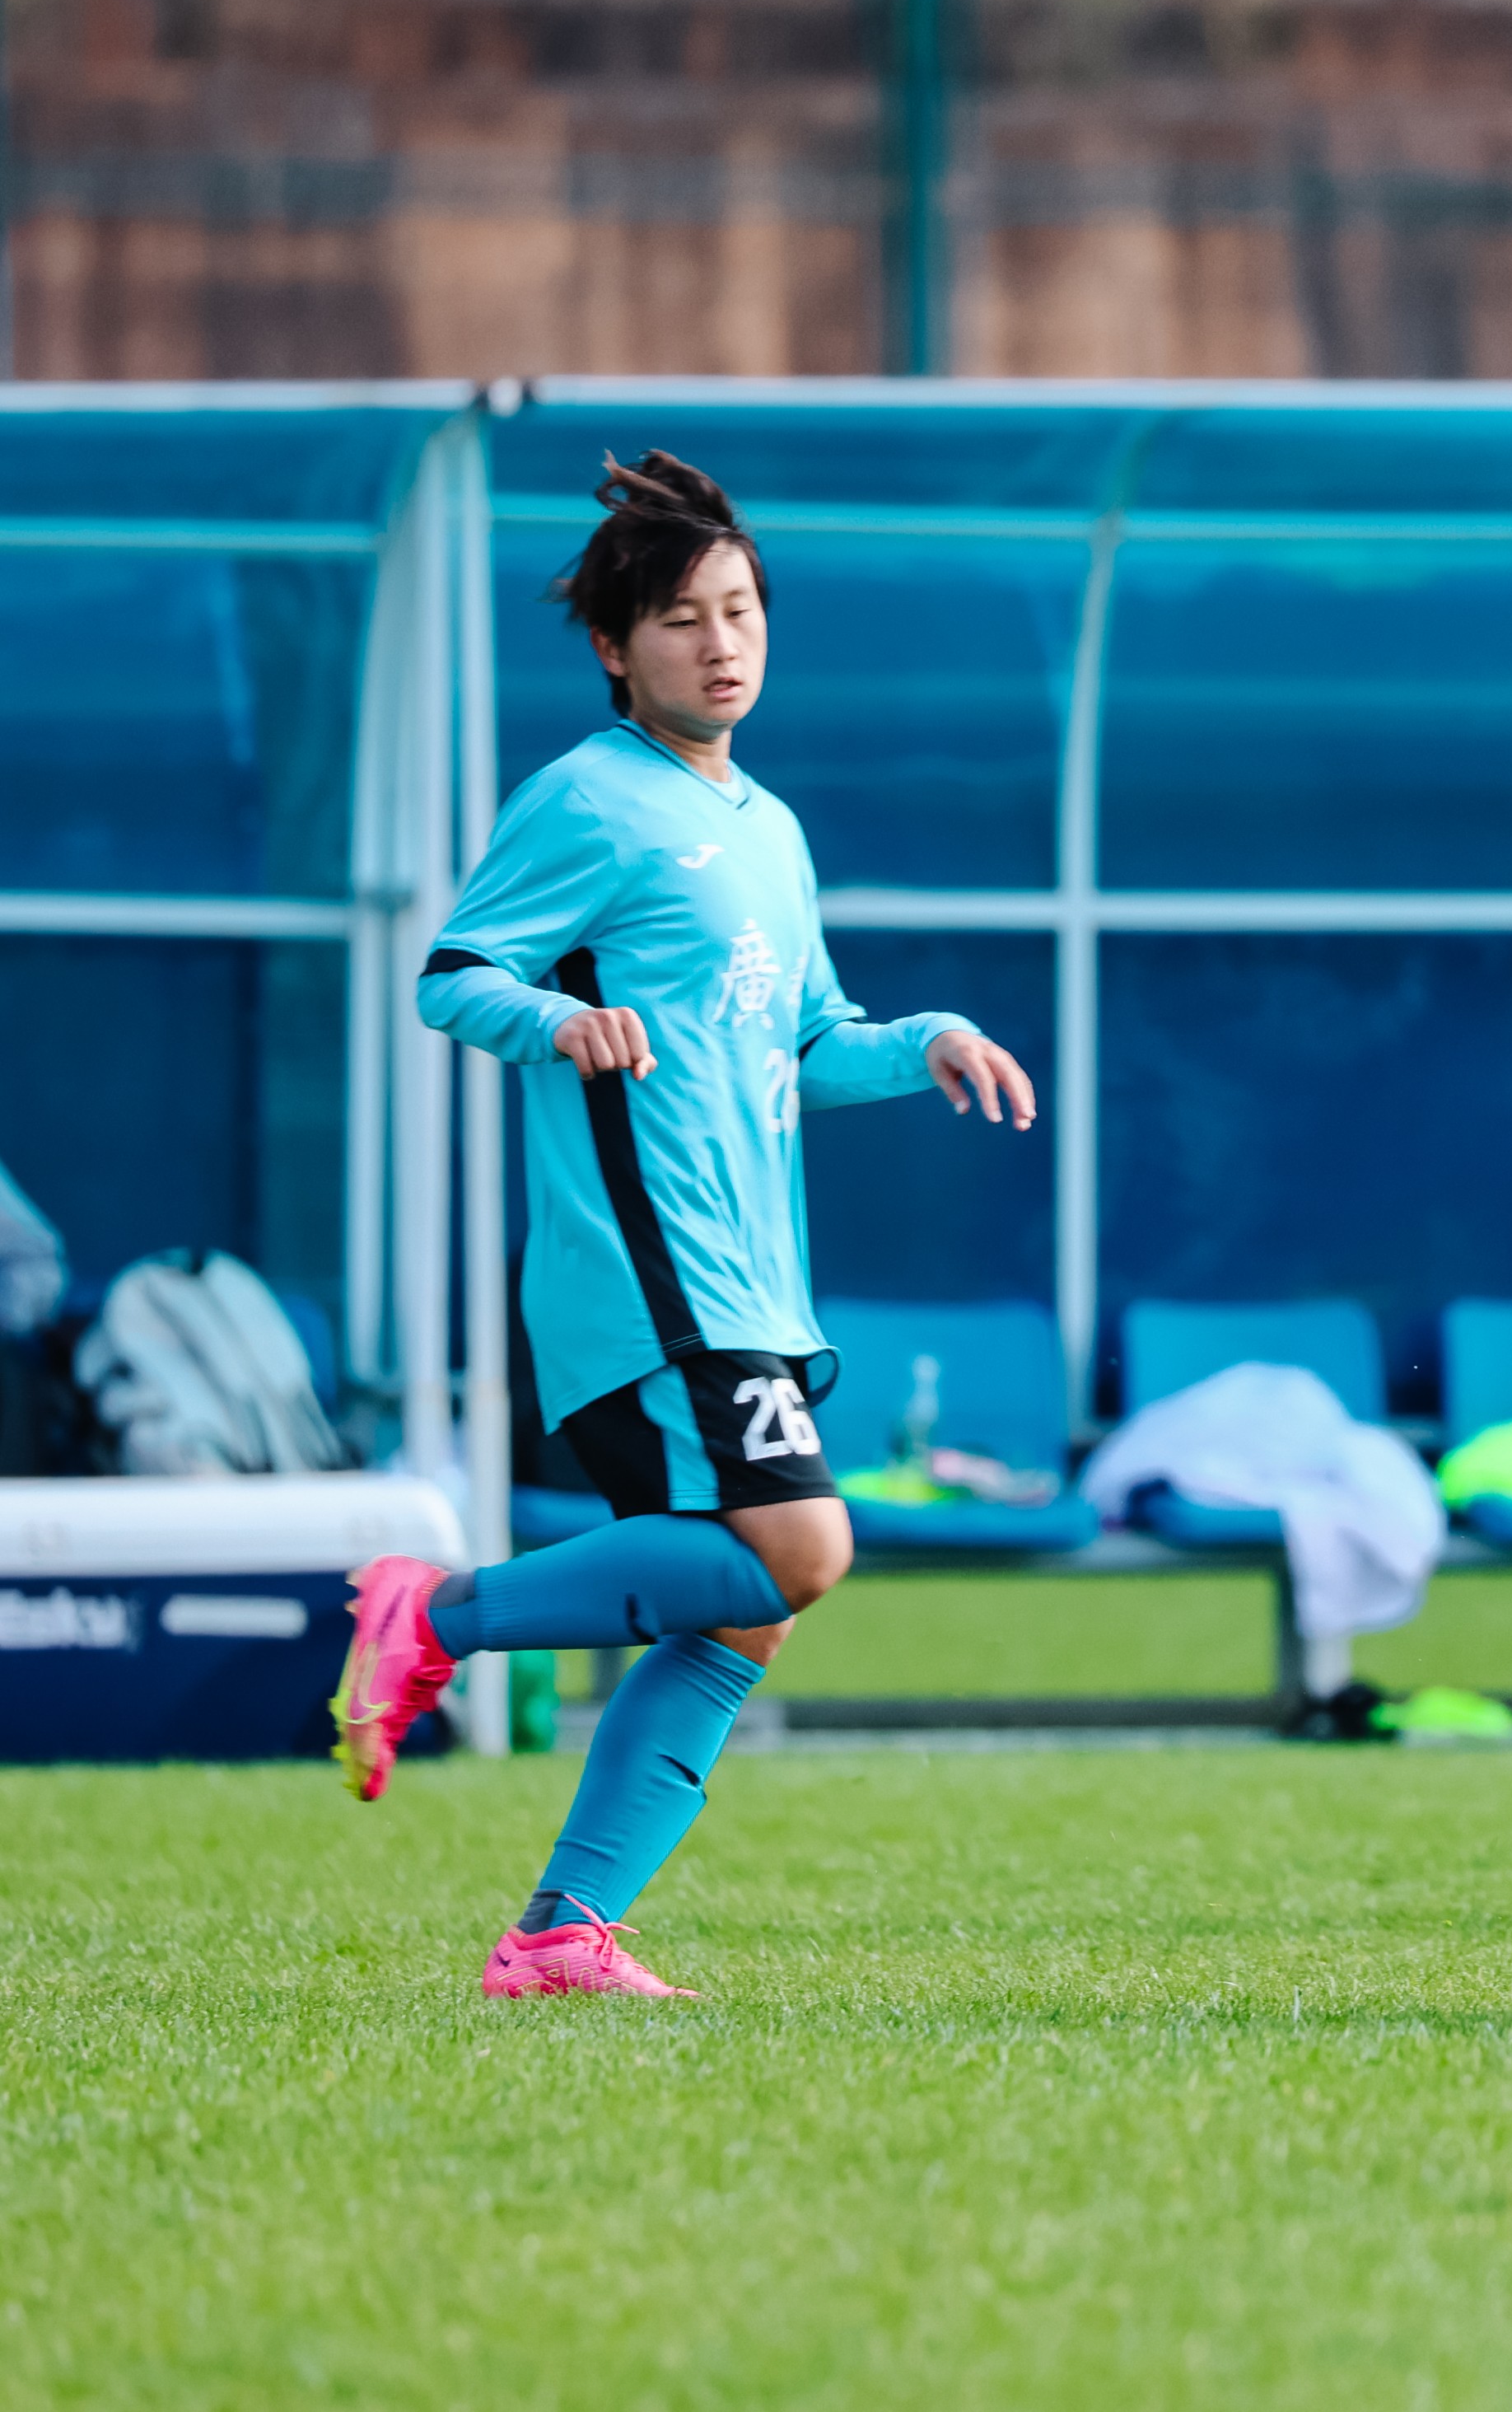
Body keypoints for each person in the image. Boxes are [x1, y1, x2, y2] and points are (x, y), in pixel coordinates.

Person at [327, 452, 1038, 1998]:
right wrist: (555, 1027)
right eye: (680, 619)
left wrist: (919, 1041)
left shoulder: (768, 828)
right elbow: (453, 973)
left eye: (738, 611)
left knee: (750, 1609)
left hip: (756, 1280)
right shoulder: (587, 797)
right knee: (798, 1548)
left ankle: (559, 1934)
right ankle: (432, 1610)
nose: (720, 643)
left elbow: (802, 1040)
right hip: (648, 1276)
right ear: (613, 646)